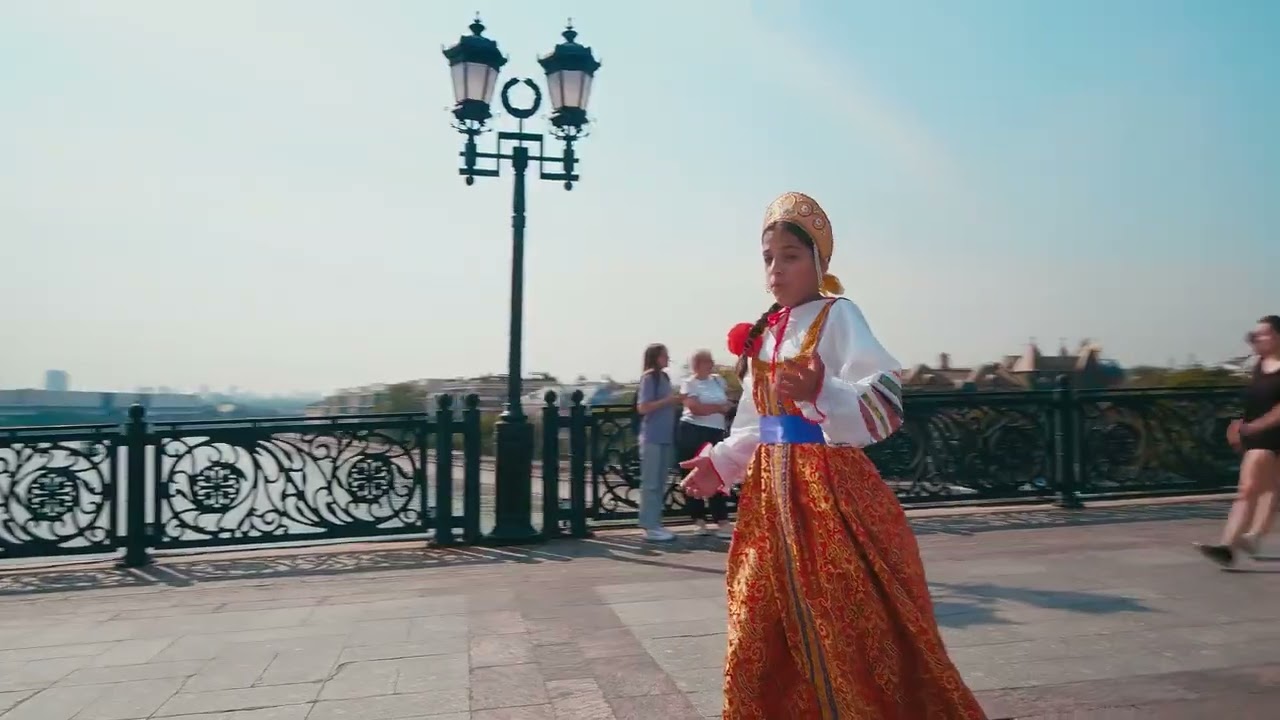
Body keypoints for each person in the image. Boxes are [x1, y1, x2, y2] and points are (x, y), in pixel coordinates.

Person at [680, 192, 986, 719]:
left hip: (828, 496)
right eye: (768, 258)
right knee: (758, 615)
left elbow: (884, 398)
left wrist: (822, 391)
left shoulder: (838, 316)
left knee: (843, 615)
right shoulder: (765, 333)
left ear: (818, 263)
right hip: (769, 504)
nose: (776, 270)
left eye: (791, 256)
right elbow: (755, 422)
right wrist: (721, 462)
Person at [1196, 315, 1280, 566]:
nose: (1255, 338)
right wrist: (1240, 423)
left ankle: (1229, 546)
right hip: (1259, 435)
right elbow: (1255, 401)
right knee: (1268, 488)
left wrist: (1254, 426)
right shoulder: (1260, 365)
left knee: (1249, 488)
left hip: (1268, 434)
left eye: (1262, 334)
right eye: (1254, 335)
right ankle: (1252, 537)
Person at [677, 349, 735, 538]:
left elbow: (728, 403)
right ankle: (698, 519)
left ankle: (721, 519)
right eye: (707, 361)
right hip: (693, 431)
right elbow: (695, 408)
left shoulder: (718, 380)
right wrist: (718, 408)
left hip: (715, 432)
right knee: (693, 473)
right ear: (697, 364)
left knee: (718, 472)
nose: (711, 364)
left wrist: (718, 408)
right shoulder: (689, 383)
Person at [636, 343, 684, 542]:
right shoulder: (649, 377)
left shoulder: (664, 377)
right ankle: (649, 525)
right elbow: (643, 407)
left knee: (660, 482)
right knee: (651, 483)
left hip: (665, 436)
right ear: (655, 357)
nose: (667, 359)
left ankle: (656, 523)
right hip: (652, 437)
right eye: (664, 355)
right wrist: (668, 401)